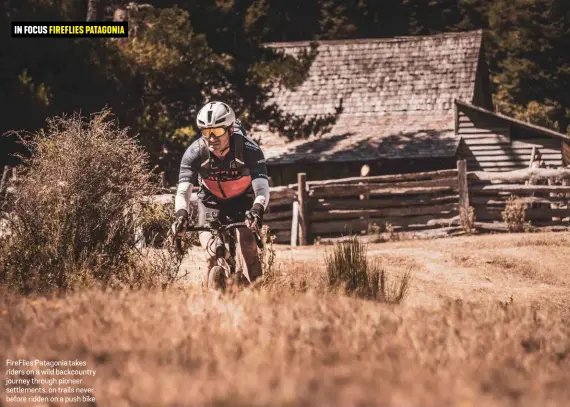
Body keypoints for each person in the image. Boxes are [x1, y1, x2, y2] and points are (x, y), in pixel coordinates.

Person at [172, 101, 270, 284]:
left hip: (244, 200)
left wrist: (257, 210)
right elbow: (183, 191)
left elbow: (262, 187)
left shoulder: (249, 149)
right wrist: (181, 215)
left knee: (248, 249)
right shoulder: (194, 152)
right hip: (210, 200)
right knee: (210, 256)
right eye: (206, 132)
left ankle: (260, 299)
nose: (211, 138)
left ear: (231, 129)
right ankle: (210, 304)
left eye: (217, 131)